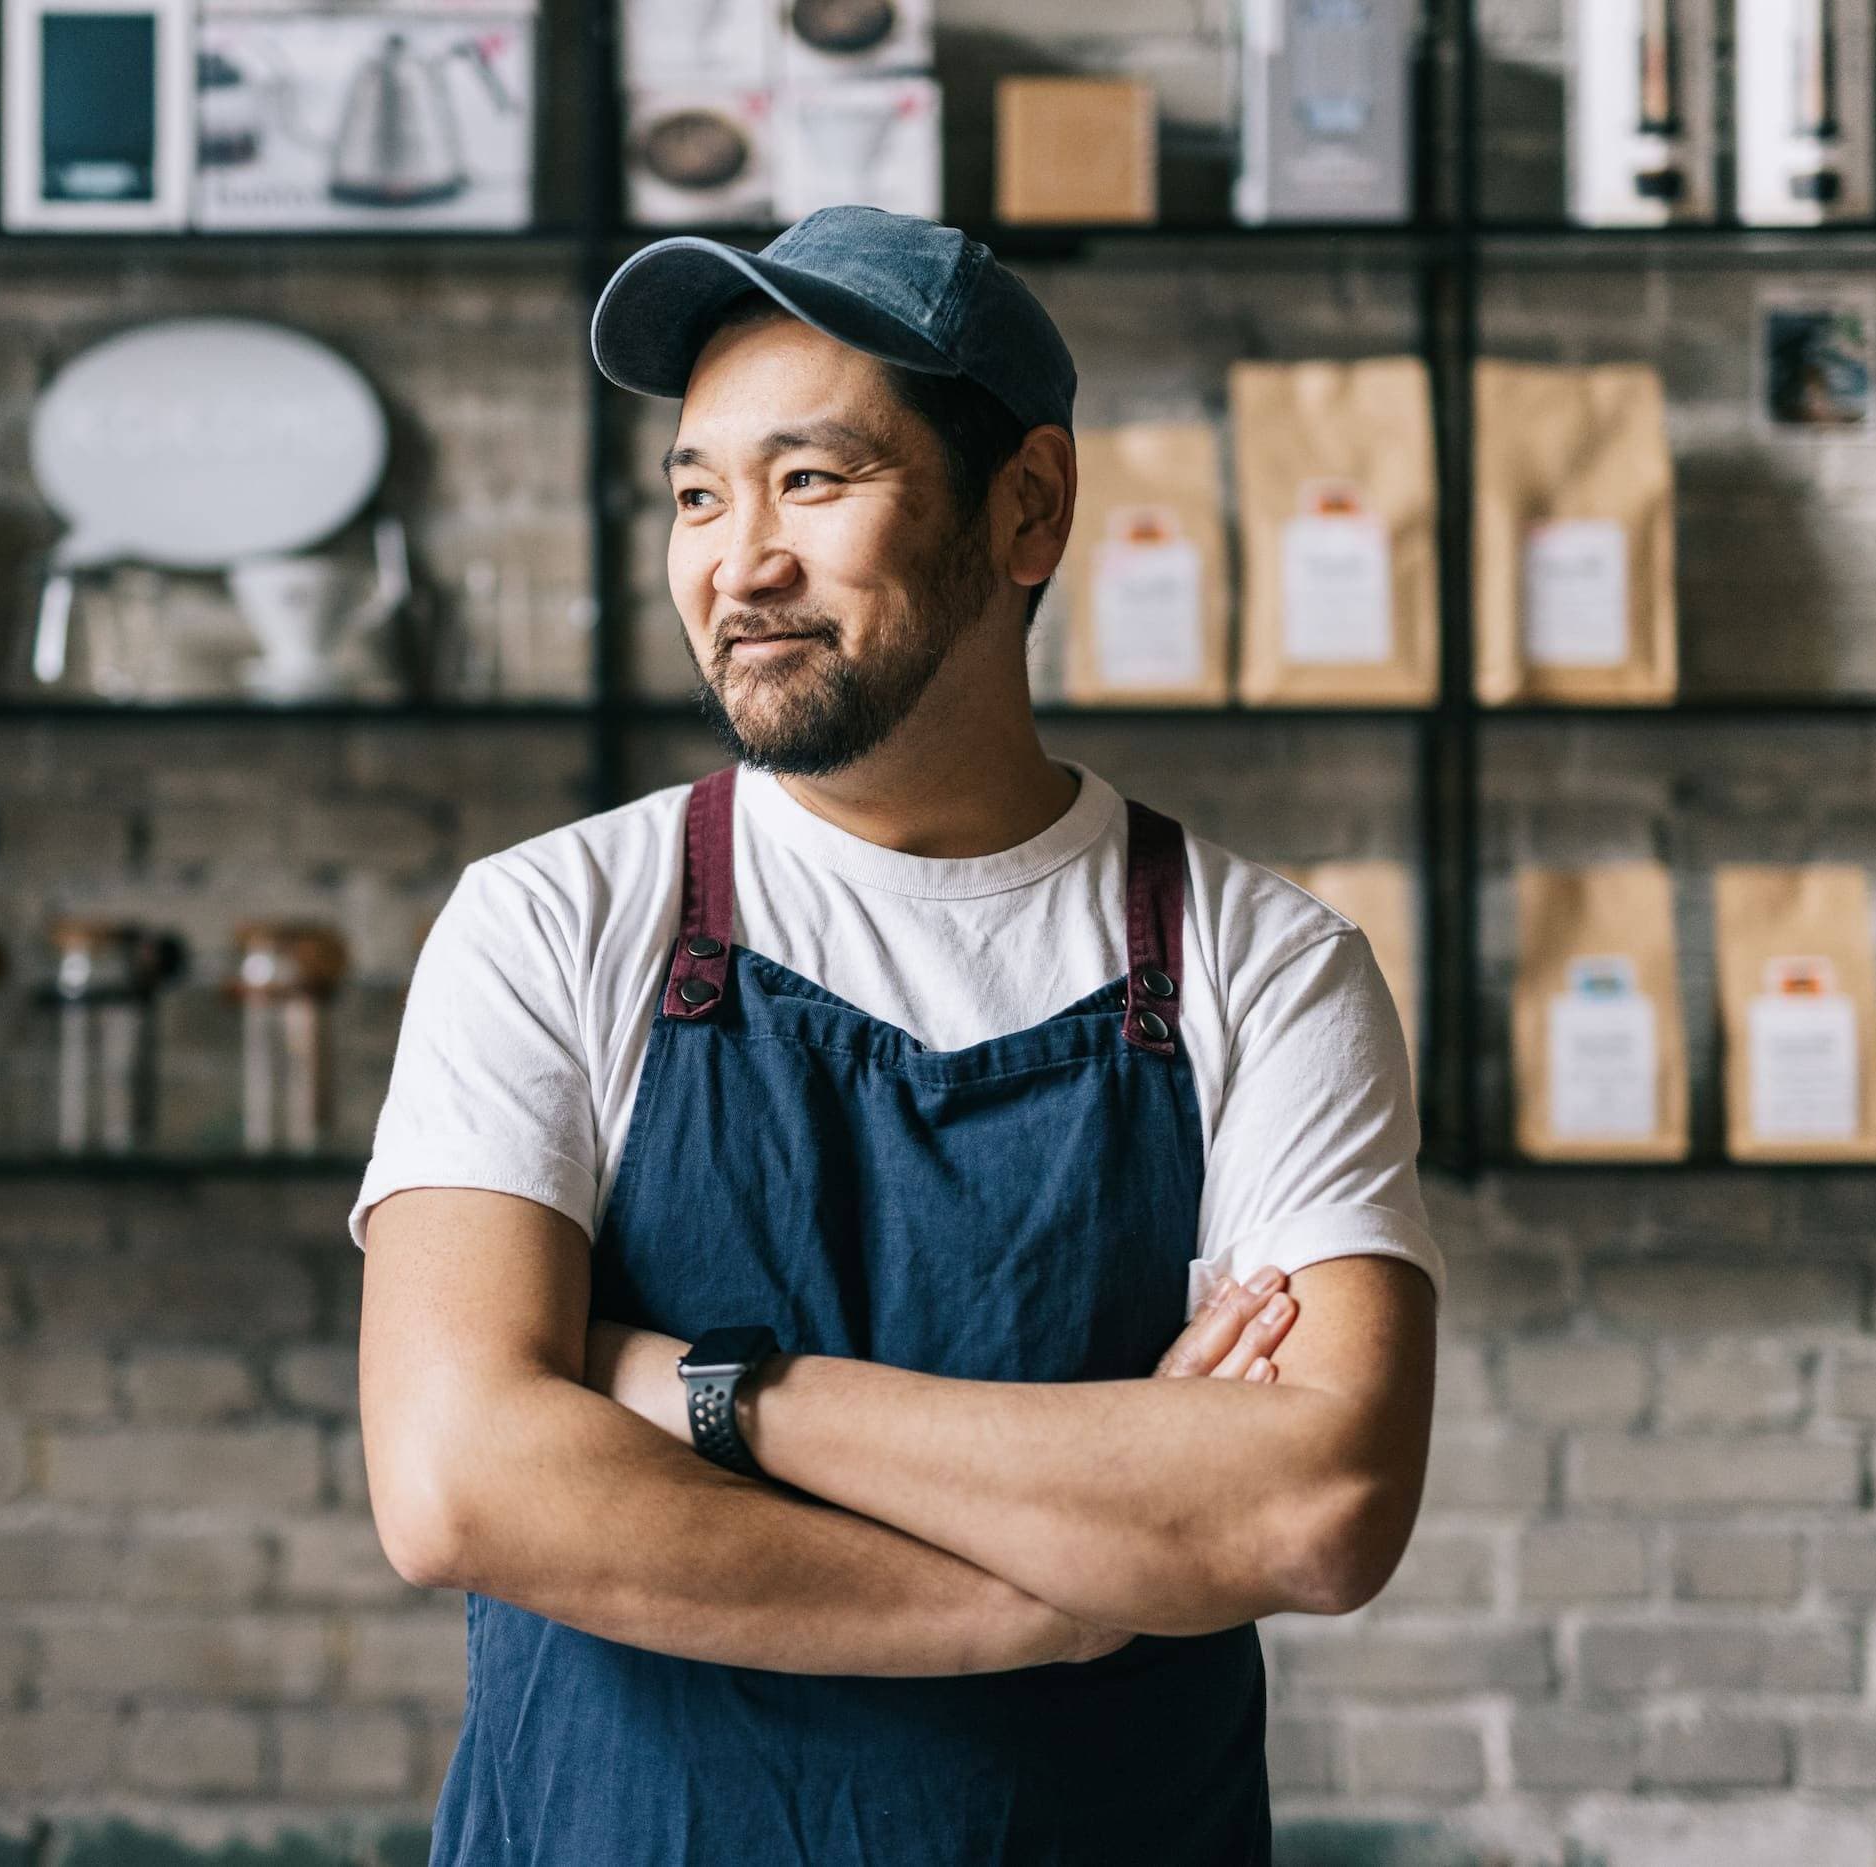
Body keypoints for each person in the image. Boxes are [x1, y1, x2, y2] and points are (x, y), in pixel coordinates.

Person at [350, 204, 1442, 1865]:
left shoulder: (1265, 966)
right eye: (700, 494)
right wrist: (1047, 1599)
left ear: (1028, 507)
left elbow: (1314, 1507)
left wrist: (703, 1391)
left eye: (813, 480)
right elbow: (457, 1481)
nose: (740, 560)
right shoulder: (552, 923)